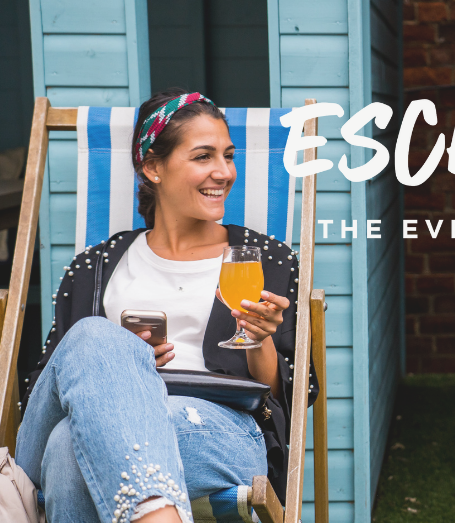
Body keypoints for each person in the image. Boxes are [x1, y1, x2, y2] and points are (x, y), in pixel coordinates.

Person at [15, 88, 318, 523]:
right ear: (153, 167)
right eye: (203, 157)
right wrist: (121, 367)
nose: (224, 172)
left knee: (73, 444)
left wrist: (258, 339)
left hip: (220, 431)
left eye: (228, 156)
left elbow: (290, 397)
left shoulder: (261, 260)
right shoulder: (94, 267)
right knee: (90, 358)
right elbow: (42, 390)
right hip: (101, 425)